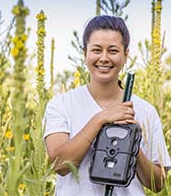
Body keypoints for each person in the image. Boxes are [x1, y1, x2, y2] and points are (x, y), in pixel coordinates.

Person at [43, 15, 171, 196]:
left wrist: (134, 143)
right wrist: (100, 119)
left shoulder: (146, 111)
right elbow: (60, 165)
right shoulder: (61, 104)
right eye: (96, 50)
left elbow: (158, 183)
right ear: (84, 53)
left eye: (112, 51)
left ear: (126, 55)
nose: (104, 58)